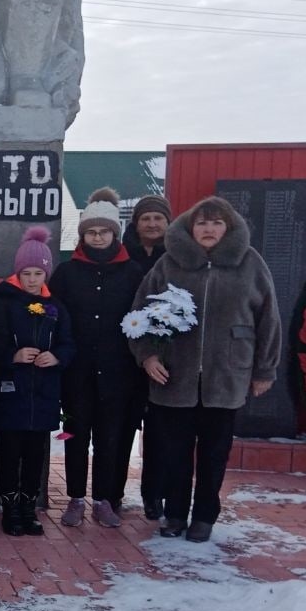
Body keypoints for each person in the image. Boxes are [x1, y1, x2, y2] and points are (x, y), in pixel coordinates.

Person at [129, 196, 280, 542]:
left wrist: (264, 370)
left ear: (228, 228)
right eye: (201, 223)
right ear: (189, 228)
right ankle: (176, 513)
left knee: (214, 453)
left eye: (216, 223)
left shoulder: (250, 264)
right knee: (175, 451)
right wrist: (148, 357)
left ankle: (205, 516)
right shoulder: (170, 264)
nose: (208, 229)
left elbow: (268, 319)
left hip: (226, 377)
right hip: (175, 376)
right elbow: (141, 315)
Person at [48, 188, 145, 529]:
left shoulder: (133, 274)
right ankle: (74, 497)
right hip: (77, 373)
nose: (98, 237)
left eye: (104, 232)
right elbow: (52, 316)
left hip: (118, 373)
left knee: (110, 438)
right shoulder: (66, 273)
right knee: (75, 435)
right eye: (92, 232)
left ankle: (104, 499)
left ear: (114, 235)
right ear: (83, 235)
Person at [0, 225, 74, 536]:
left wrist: (58, 357)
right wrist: (12, 355)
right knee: (10, 452)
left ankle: (29, 506)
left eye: (37, 274)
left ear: (46, 275)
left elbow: (68, 343)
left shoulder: (56, 308)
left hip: (44, 394)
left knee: (36, 454)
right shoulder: (3, 302)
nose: (32, 280)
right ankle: (10, 508)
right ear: (17, 274)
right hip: (12, 393)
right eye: (26, 273)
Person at [120, 192, 173, 519]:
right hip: (126, 353)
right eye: (146, 218)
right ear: (136, 223)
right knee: (124, 427)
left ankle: (155, 494)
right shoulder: (124, 255)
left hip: (166, 356)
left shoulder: (179, 257)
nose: (152, 224)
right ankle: (111, 492)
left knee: (161, 430)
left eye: (158, 218)